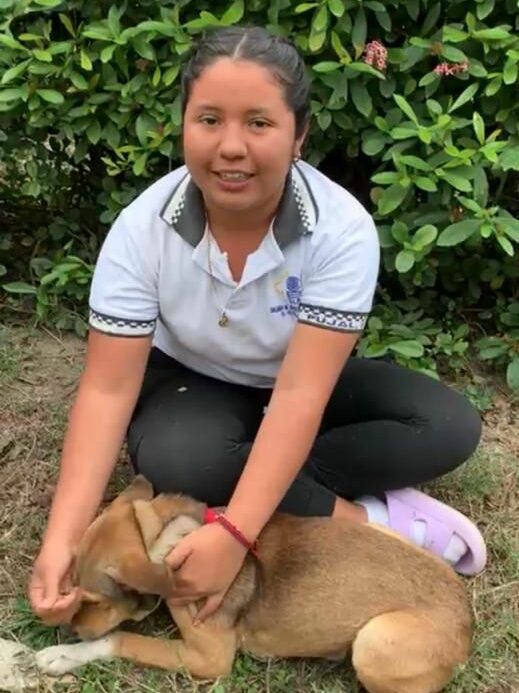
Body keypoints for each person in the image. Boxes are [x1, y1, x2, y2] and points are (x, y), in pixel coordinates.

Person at [29, 25, 486, 626]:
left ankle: (268, 485)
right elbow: (108, 389)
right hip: (192, 383)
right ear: (184, 125)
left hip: (294, 381)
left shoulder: (340, 230)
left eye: (259, 123)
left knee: (448, 426)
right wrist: (62, 537)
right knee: (179, 459)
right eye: (210, 119)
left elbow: (301, 393)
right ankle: (371, 521)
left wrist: (234, 531)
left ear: (299, 136)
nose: (231, 147)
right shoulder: (142, 230)